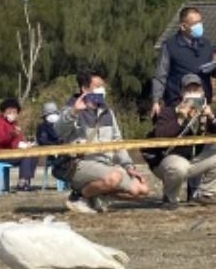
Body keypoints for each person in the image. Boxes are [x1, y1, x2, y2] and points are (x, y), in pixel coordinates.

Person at [55, 71, 150, 213]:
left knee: (142, 190)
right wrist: (74, 112)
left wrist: (129, 166)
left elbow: (117, 142)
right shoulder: (72, 108)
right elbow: (59, 130)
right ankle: (78, 197)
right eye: (98, 86)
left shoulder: (107, 111)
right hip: (79, 164)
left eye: (103, 86)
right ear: (85, 89)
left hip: (106, 164)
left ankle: (96, 194)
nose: (102, 90)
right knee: (114, 177)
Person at [143, 74, 216, 210]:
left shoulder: (204, 111)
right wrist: (180, 119)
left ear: (202, 92)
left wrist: (212, 116)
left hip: (194, 161)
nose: (193, 94)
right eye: (189, 90)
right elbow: (160, 135)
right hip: (167, 161)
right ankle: (170, 198)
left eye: (196, 90)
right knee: (179, 166)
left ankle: (205, 194)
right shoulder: (168, 111)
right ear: (182, 93)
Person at [152, 6, 213, 118]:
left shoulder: (206, 45)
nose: (199, 26)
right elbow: (160, 75)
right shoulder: (170, 46)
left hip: (203, 105)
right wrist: (156, 101)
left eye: (200, 21)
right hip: (178, 105)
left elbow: (209, 69)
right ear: (183, 26)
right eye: (195, 23)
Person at [0, 98, 38, 192]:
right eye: (10, 111)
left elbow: (16, 141)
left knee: (33, 153)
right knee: (26, 155)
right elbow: (0, 140)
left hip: (8, 152)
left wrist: (24, 144)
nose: (12, 114)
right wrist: (13, 134)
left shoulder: (13, 124)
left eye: (14, 112)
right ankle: (22, 182)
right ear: (4, 111)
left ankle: (26, 181)